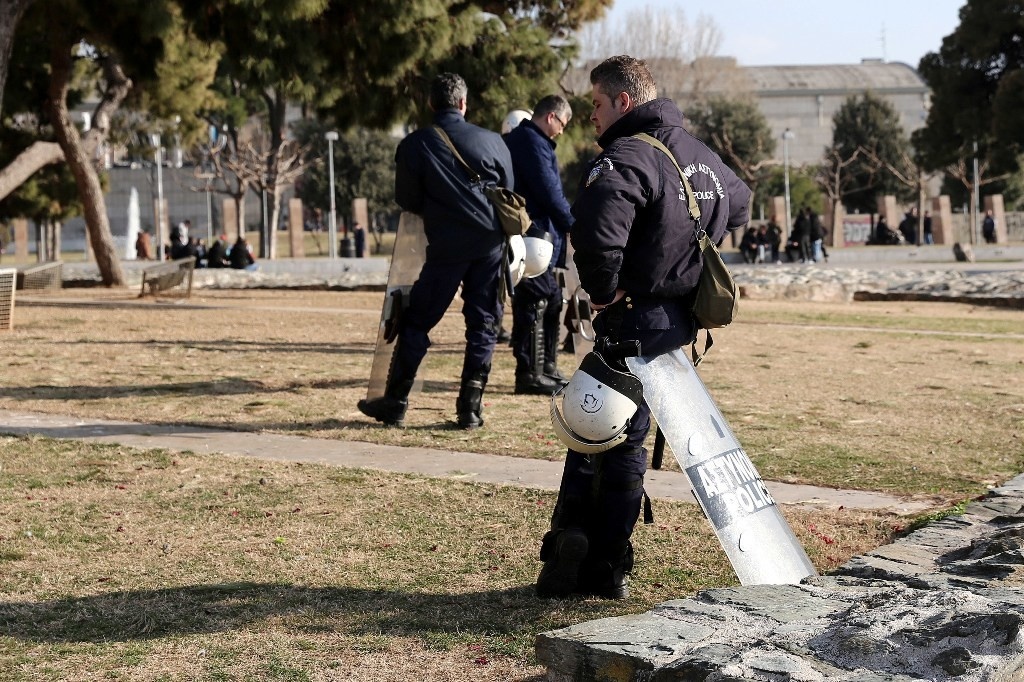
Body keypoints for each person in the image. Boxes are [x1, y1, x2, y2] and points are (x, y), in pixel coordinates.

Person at [535, 55, 751, 599]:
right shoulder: (701, 156)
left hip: (629, 320)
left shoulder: (629, 154)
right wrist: (684, 254)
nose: (592, 117)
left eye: (598, 105)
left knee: (595, 434)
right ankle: (609, 562)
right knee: (629, 440)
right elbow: (741, 202)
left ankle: (577, 551)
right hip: (675, 327)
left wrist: (606, 292)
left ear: (624, 101)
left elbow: (598, 232)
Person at [357, 72, 514, 430]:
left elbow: (407, 200)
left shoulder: (415, 145)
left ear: (430, 104)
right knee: (483, 326)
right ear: (463, 103)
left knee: (417, 320)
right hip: (490, 246)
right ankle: (470, 410)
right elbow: (509, 189)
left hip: (445, 247)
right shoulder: (493, 141)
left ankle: (395, 402)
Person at [503, 95, 575, 395]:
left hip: (540, 237)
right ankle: (529, 373)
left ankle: (545, 367)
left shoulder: (531, 141)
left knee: (552, 301)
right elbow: (548, 192)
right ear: (551, 117)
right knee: (535, 302)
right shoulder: (531, 142)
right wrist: (576, 225)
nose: (561, 131)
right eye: (562, 124)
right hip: (531, 239)